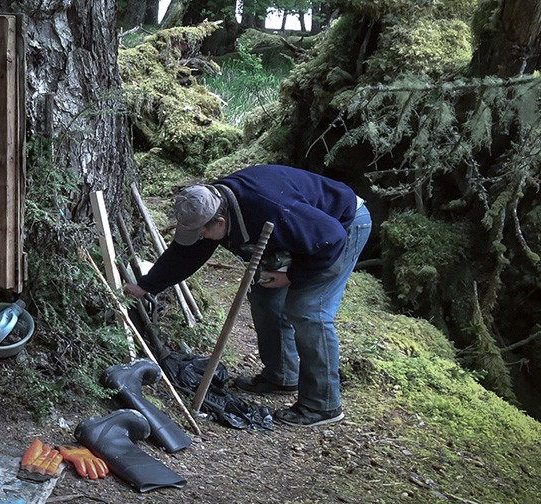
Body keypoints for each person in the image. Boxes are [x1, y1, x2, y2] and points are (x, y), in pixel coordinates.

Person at [124, 164, 372, 427]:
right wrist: (145, 286)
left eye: (202, 233)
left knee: (307, 310)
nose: (200, 238)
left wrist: (292, 276)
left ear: (220, 222)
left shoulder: (274, 209)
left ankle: (322, 405)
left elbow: (330, 238)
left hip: (341, 226)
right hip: (302, 234)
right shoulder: (210, 204)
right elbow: (185, 255)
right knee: (265, 298)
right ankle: (282, 375)